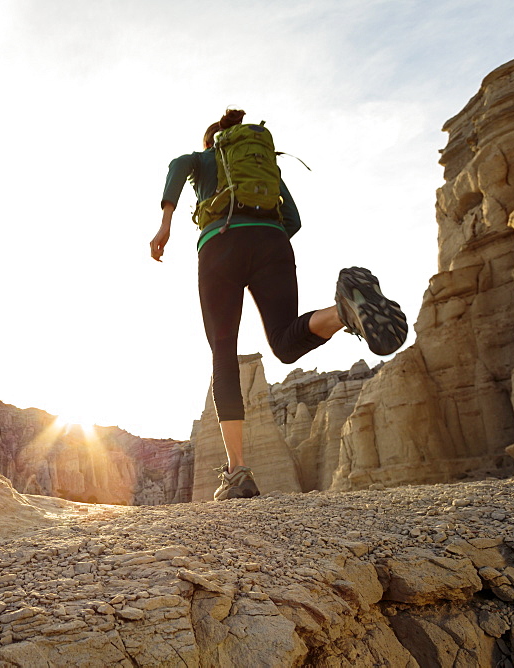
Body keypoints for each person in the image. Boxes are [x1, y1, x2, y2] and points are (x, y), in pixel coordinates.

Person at [151, 109, 407, 501]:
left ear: (212, 141)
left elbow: (175, 166)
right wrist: (267, 242)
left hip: (219, 244)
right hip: (273, 242)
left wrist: (166, 222)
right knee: (286, 343)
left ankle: (236, 472)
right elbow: (294, 219)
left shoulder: (203, 159)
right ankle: (343, 310)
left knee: (223, 351)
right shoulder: (265, 168)